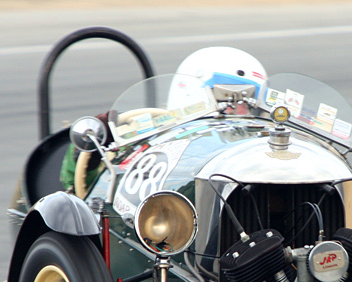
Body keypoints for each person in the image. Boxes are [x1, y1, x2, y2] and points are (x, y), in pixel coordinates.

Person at [61, 47, 267, 192]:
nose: (243, 110)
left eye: (251, 104)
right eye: (234, 100)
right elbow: (81, 188)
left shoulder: (263, 145)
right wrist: (92, 147)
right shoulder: (145, 133)